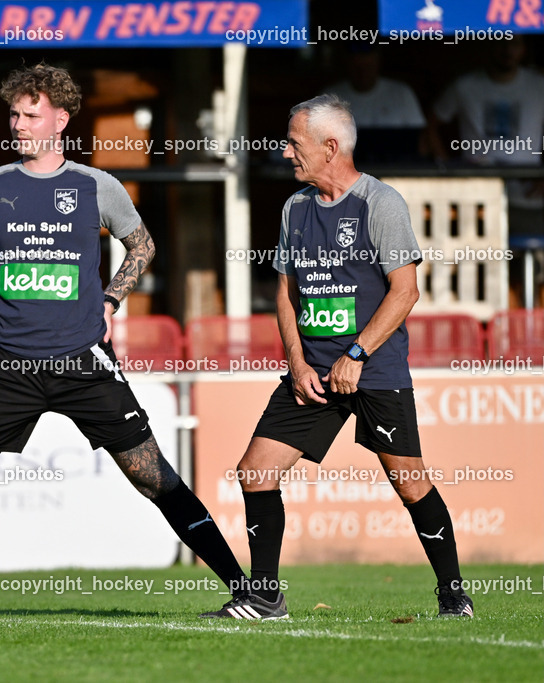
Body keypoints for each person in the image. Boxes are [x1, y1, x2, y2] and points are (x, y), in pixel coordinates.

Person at [0, 63, 250, 621]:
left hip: (84, 362)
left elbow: (143, 245)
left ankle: (246, 590)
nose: (18, 123)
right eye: (13, 113)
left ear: (60, 119)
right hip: (10, 366)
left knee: (153, 475)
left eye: (29, 114)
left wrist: (110, 300)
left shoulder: (97, 185)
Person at [202, 94, 473, 620]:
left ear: (330, 148)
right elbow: (285, 293)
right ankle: (264, 597)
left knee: (411, 483)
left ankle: (453, 595)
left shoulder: (381, 203)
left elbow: (405, 291)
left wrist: (356, 353)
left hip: (374, 370)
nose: (285, 153)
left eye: (294, 143)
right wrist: (298, 365)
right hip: (312, 375)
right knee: (255, 471)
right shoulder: (295, 208)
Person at [428, 35, 544, 237]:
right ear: (489, 45)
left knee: (532, 260)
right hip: (476, 195)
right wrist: (446, 169)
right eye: (501, 42)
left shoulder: (538, 84)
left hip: (527, 195)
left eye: (514, 43)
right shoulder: (464, 86)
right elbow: (431, 126)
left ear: (524, 49)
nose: (507, 49)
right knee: (478, 258)